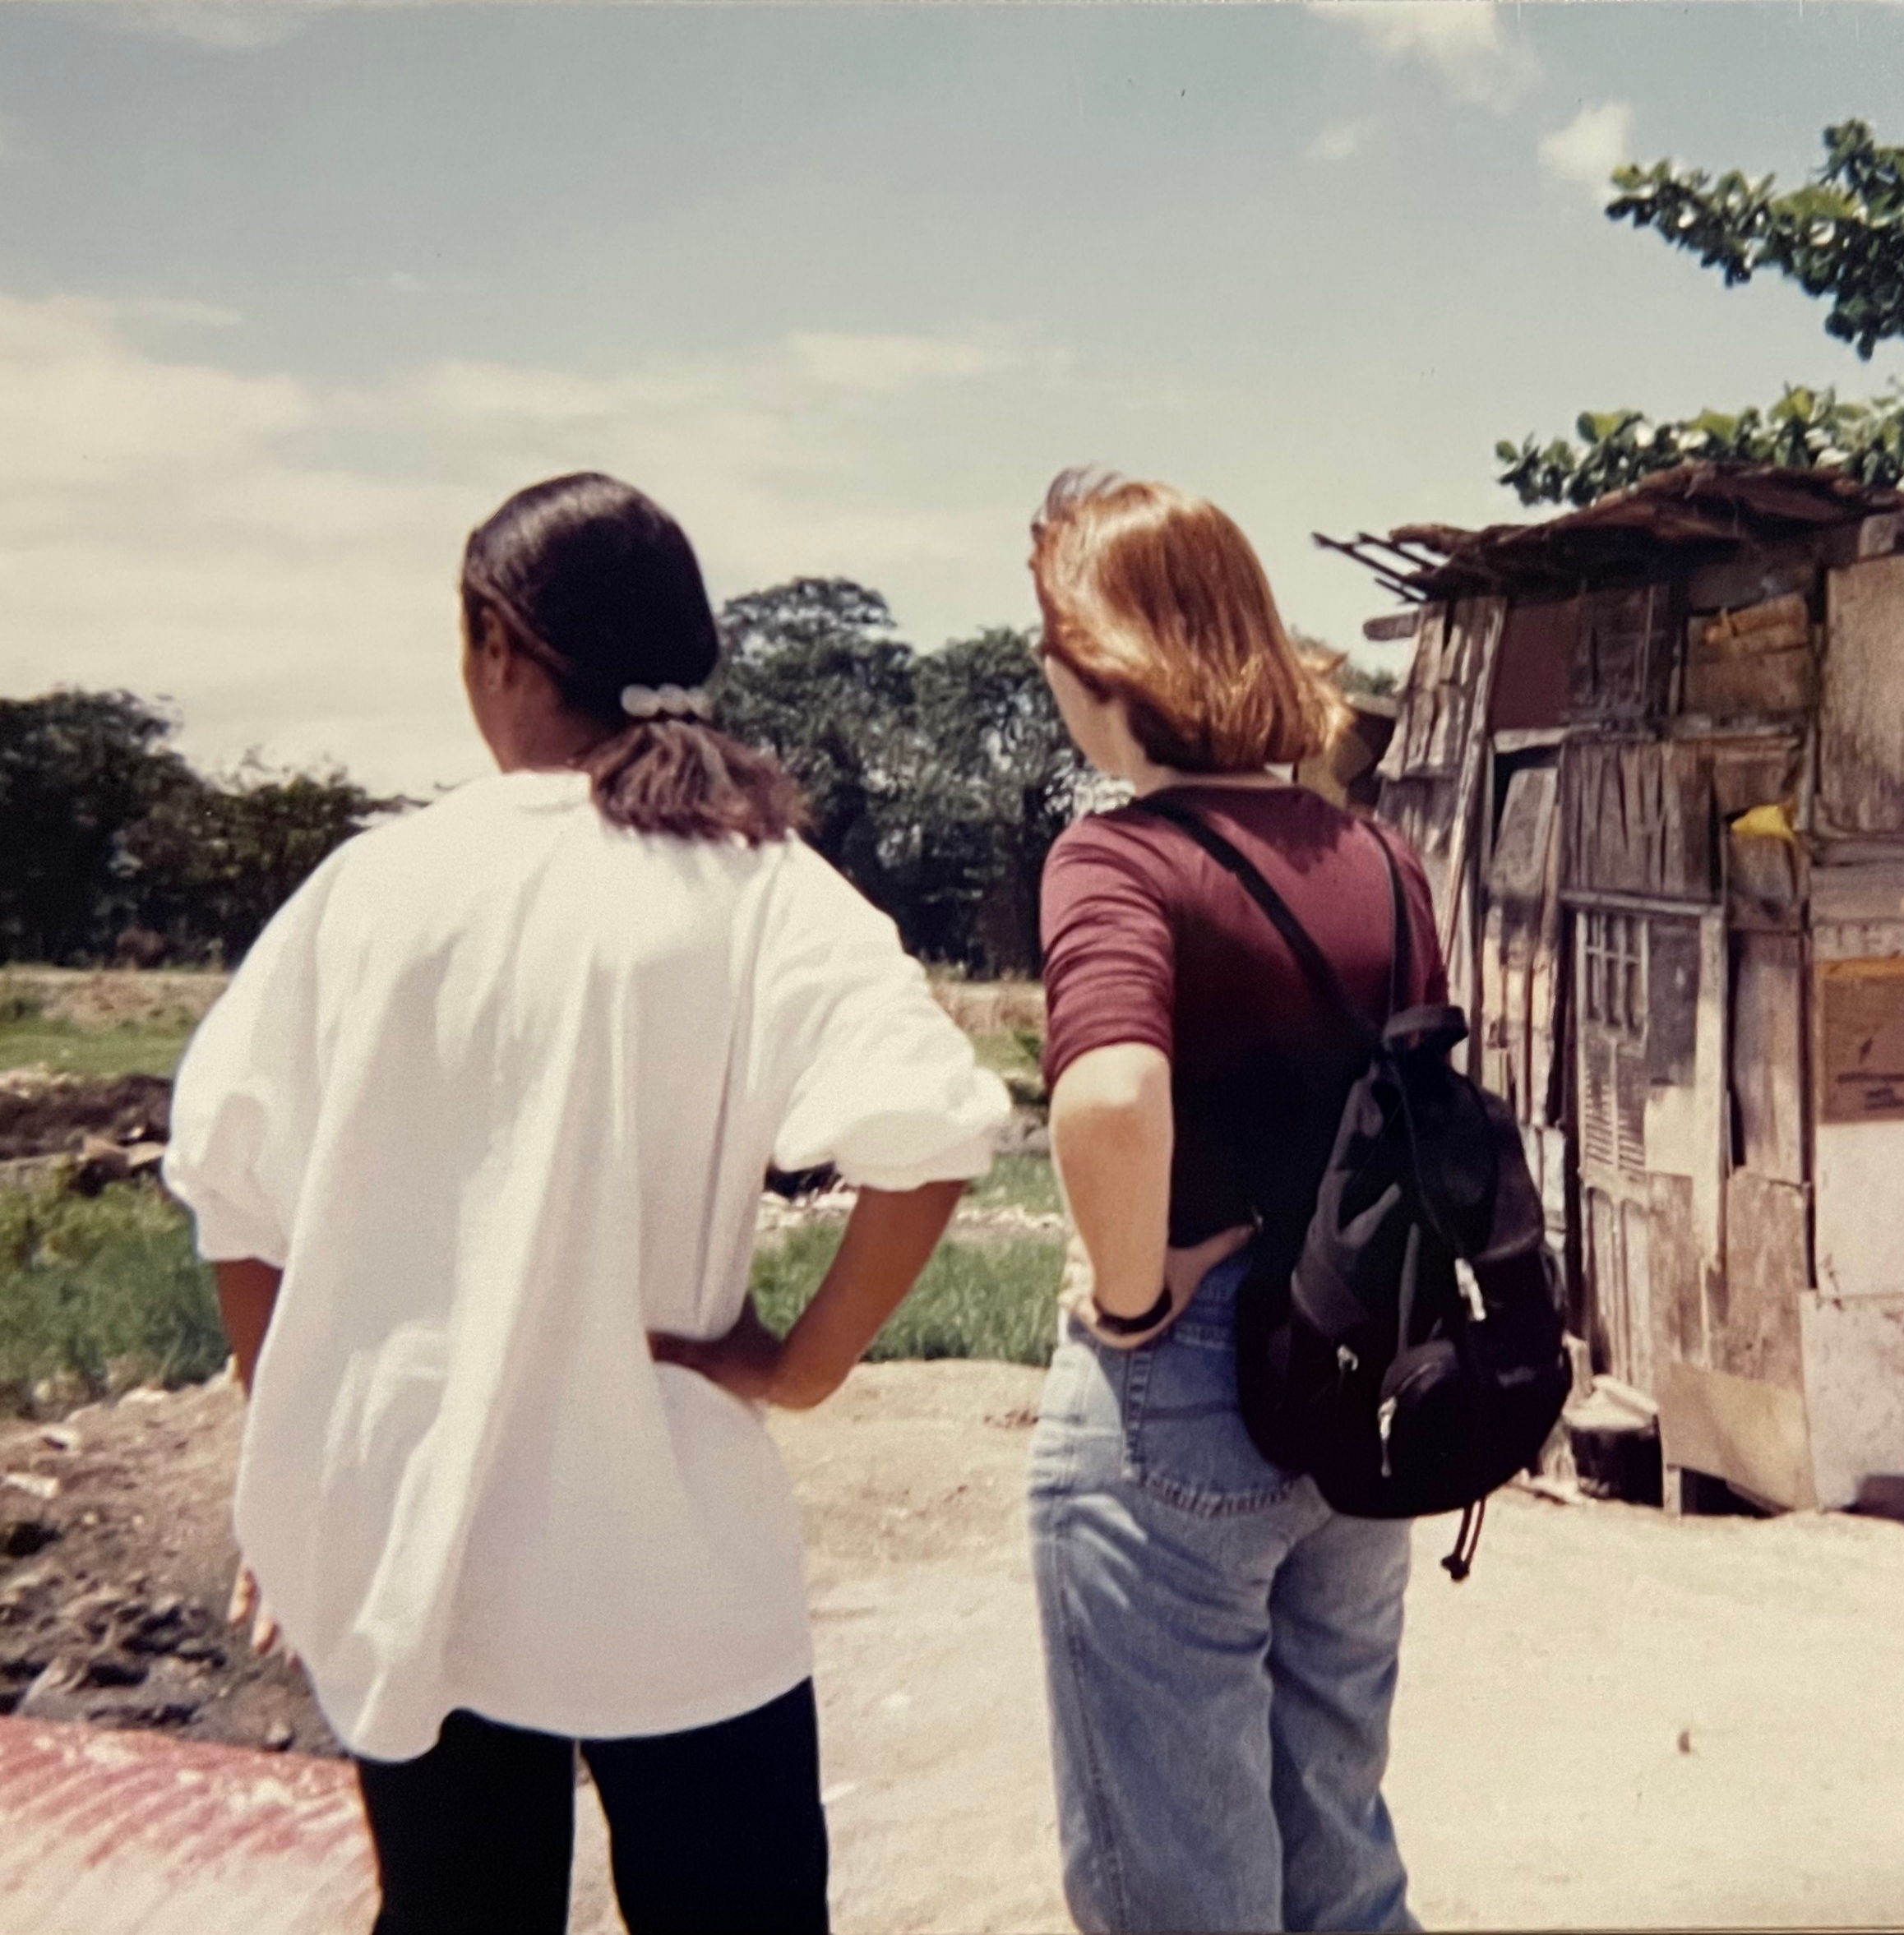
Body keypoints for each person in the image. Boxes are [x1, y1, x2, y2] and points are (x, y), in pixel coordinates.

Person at [164, 473, 1011, 1935]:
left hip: (422, 1559)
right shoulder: (758, 882)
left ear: (500, 646)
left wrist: (308, 1453)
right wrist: (795, 1368)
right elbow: (931, 1134)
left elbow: (235, 1192)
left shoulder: (372, 888)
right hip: (675, 1571)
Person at [1020, 469, 1446, 1933]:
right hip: (1355, 1382)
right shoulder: (1383, 864)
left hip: (1185, 1391)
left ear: (1102, 656)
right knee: (1337, 1842)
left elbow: (1110, 1097)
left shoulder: (1118, 854)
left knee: (1180, 1885)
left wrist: (1135, 1289)